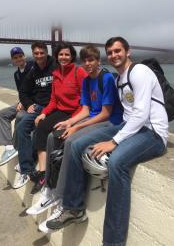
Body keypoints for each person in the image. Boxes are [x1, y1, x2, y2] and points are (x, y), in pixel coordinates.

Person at [46, 37, 168, 246]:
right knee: (75, 145)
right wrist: (77, 125)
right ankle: (73, 208)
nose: (114, 55)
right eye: (110, 52)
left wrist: (114, 142)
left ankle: (112, 241)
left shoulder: (139, 72)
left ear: (128, 52)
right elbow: (129, 116)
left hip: (152, 133)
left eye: (118, 51)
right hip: (129, 127)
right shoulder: (120, 78)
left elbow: (141, 113)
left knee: (117, 163)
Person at [26, 45, 123, 233]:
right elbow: (86, 110)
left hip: (110, 122)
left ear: (98, 61)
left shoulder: (107, 78)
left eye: (92, 60)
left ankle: (65, 200)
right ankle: (50, 189)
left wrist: (77, 126)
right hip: (92, 117)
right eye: (85, 60)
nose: (88, 64)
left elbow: (105, 113)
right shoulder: (87, 81)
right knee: (54, 135)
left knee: (71, 142)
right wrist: (69, 122)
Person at [30, 42, 87, 194]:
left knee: (56, 136)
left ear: (72, 56)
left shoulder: (79, 72)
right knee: (41, 127)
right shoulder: (56, 74)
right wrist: (44, 113)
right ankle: (42, 172)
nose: (64, 57)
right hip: (61, 111)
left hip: (76, 112)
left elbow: (85, 101)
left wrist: (72, 121)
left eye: (67, 54)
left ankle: (55, 178)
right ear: (56, 57)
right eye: (61, 54)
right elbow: (54, 101)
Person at [12, 42, 56, 189]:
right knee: (21, 127)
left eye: (41, 53)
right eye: (36, 53)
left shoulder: (55, 67)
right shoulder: (33, 71)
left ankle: (32, 166)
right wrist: (29, 103)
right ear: (33, 54)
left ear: (46, 52)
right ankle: (27, 170)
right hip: (37, 107)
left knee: (39, 128)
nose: (39, 56)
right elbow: (23, 92)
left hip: (52, 108)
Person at [0, 47, 33, 166]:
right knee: (2, 114)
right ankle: (9, 147)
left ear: (24, 56)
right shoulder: (17, 74)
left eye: (20, 56)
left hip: (33, 102)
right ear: (12, 60)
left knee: (20, 116)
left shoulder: (33, 68)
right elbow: (21, 91)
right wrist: (21, 102)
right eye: (15, 58)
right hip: (23, 102)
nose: (18, 59)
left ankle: (19, 148)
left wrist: (24, 103)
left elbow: (37, 90)